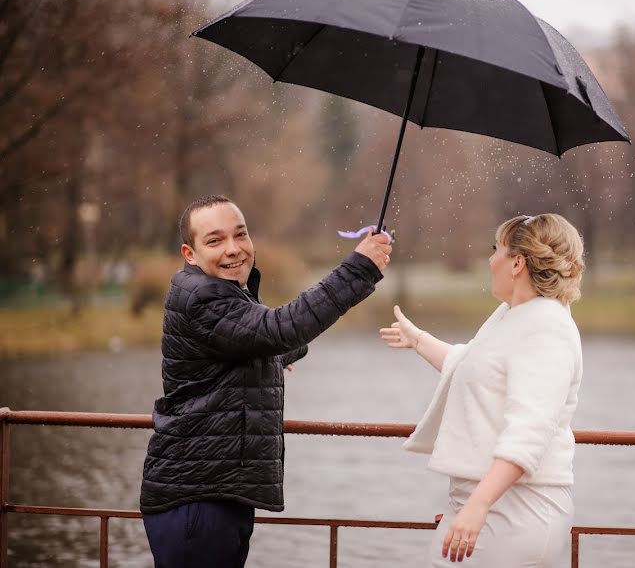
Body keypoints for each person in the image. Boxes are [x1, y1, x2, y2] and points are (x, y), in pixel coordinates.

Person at [140, 194, 391, 568]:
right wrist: (358, 269)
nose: (233, 249)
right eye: (215, 240)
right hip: (196, 499)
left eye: (240, 235)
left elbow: (259, 338)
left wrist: (282, 352)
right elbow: (276, 329)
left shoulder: (225, 292)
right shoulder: (202, 296)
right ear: (189, 253)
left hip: (217, 491)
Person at [380, 213, 584, 567]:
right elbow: (473, 368)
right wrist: (419, 341)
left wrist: (478, 507)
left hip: (518, 509)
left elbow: (529, 431)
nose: (490, 260)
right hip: (489, 505)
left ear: (517, 263)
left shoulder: (546, 327)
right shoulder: (512, 314)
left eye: (497, 250)